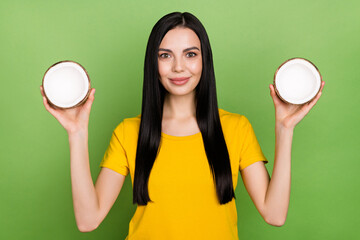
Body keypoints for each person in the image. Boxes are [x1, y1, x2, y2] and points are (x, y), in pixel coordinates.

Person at [40, 11, 325, 240]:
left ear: (204, 61)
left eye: (190, 54)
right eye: (165, 55)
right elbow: (88, 220)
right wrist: (76, 134)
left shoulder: (236, 128)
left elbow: (274, 215)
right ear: (154, 63)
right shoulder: (129, 132)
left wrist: (285, 129)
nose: (178, 67)